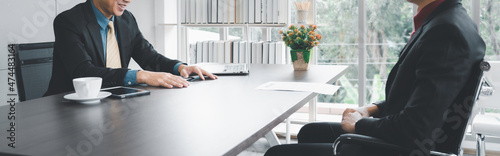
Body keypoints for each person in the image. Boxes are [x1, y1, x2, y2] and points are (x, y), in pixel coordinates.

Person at [265, 0, 485, 155]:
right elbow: (418, 97)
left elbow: (416, 129)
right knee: (310, 131)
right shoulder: (445, 20)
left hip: (406, 148)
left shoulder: (446, 32)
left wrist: (360, 125)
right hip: (405, 138)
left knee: (276, 153)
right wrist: (372, 109)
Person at [44, 0, 217, 96]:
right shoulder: (68, 21)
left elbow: (150, 58)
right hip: (68, 109)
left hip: (113, 104)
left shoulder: (126, 19)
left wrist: (180, 67)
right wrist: (140, 75)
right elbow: (83, 72)